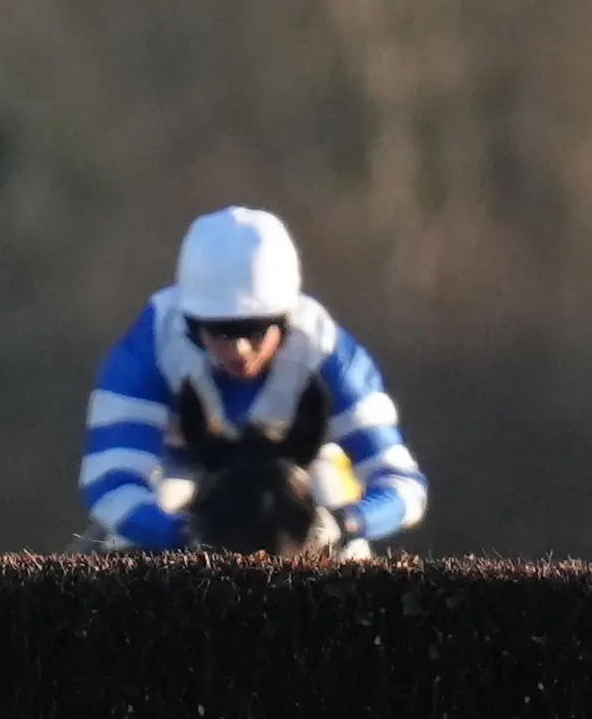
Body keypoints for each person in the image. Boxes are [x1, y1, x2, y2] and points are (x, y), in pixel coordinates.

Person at [82, 205, 425, 552]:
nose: (240, 350)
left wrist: (343, 524)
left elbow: (404, 487)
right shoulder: (150, 345)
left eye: (255, 330)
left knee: (348, 543)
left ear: (285, 320)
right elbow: (111, 485)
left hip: (306, 477)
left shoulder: (328, 351)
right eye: (221, 332)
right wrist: (183, 535)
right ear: (192, 324)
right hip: (180, 475)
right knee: (126, 538)